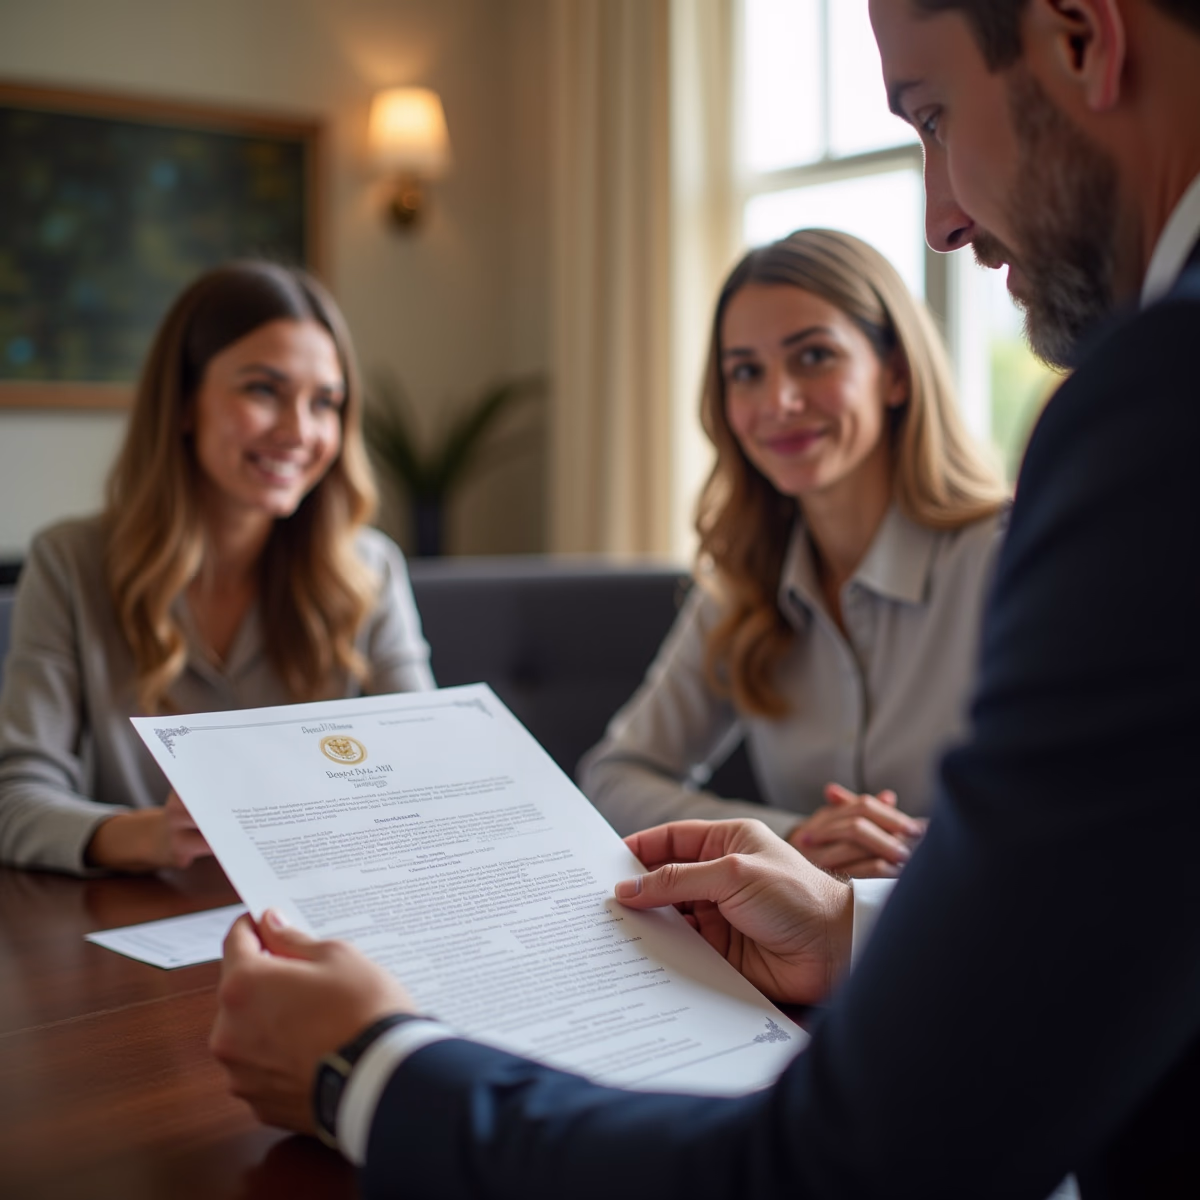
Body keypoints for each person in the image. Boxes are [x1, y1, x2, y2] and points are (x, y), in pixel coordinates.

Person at [209, 0, 1200, 1194]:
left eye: (932, 116)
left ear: (1084, 37)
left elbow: (859, 1163)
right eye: (744, 372)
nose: (941, 217)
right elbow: (1115, 921)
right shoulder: (747, 584)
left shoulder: (1138, 431)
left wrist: (365, 1069)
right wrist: (843, 912)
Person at [579, 229, 1008, 878]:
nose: (778, 402)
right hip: (798, 967)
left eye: (813, 357)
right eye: (746, 372)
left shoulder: (1005, 559)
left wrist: (910, 852)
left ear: (894, 375)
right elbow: (613, 776)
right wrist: (795, 838)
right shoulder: (740, 583)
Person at [0, 261, 434, 876]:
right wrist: (149, 836)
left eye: (325, 403)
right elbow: (13, 800)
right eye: (263, 390)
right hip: (135, 930)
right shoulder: (69, 564)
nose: (299, 431)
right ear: (182, 403)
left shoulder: (370, 568)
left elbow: (435, 770)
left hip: (322, 915)